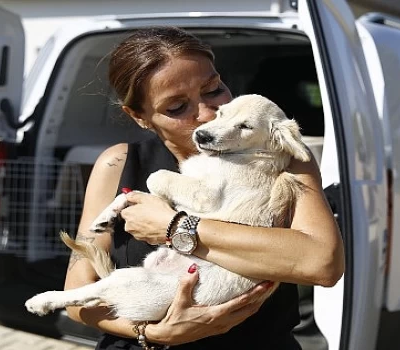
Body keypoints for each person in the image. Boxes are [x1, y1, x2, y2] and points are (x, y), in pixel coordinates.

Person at [63, 26, 344, 350]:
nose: (208, 113)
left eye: (213, 89)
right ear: (139, 117)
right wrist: (157, 333)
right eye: (177, 108)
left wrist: (176, 227)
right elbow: (76, 296)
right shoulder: (117, 164)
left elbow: (323, 263)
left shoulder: (279, 153)